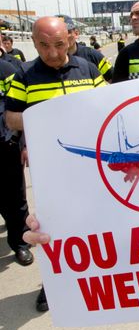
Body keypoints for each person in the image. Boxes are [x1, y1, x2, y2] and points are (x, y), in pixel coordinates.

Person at [5, 16, 106, 311]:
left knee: (97, 223)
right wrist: (49, 119)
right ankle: (54, 285)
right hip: (52, 170)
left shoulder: (87, 69)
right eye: (44, 45)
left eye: (59, 45)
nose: (52, 53)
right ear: (34, 43)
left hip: (91, 164)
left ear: (70, 39)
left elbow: (106, 105)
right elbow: (11, 118)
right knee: (55, 230)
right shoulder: (23, 75)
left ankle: (102, 278)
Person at [0, 57, 33, 267]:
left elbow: (20, 110)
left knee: (14, 197)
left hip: (5, 145)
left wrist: (24, 144)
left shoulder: (6, 70)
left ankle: (20, 242)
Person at [56, 15, 114, 82]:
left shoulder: (93, 55)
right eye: (59, 33)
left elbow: (115, 81)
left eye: (67, 32)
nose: (64, 36)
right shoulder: (48, 61)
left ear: (76, 34)